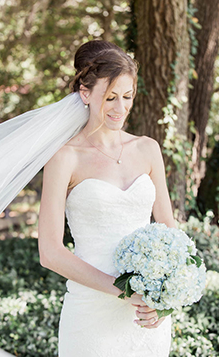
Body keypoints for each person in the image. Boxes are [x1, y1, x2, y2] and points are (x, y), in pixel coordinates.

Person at [38, 40, 176, 356]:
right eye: (110, 97)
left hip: (144, 317)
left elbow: (169, 230)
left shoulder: (147, 149)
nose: (120, 108)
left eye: (127, 97)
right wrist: (122, 291)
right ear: (85, 93)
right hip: (90, 316)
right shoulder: (64, 159)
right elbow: (50, 252)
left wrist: (162, 302)